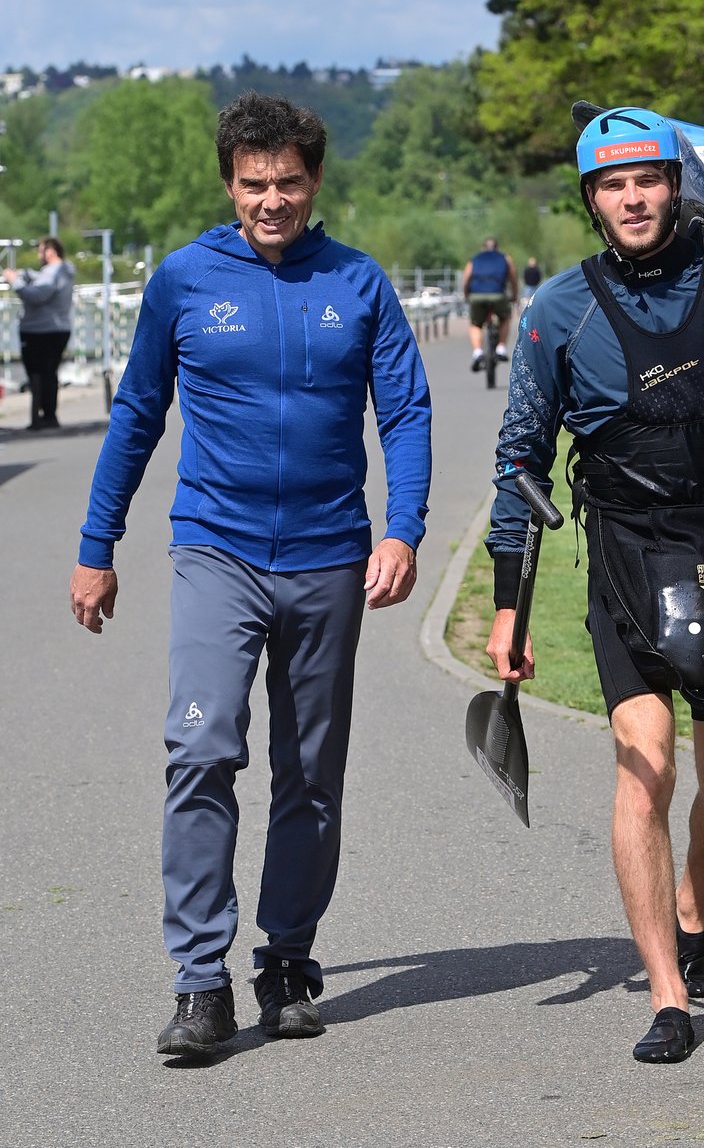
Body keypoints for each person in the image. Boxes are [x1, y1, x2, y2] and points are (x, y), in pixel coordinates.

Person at [69, 91, 433, 1058]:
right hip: (216, 550)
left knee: (311, 771)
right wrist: (96, 546)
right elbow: (137, 414)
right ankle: (200, 983)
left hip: (328, 557)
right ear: (229, 184)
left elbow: (404, 410)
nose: (271, 200)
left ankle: (286, 962)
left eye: (288, 183)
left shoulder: (357, 284)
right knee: (200, 750)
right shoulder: (185, 280)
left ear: (314, 181)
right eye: (253, 184)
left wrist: (403, 531)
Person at [482, 106, 704, 1064]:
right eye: (613, 186)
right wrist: (508, 603)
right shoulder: (557, 314)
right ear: (592, 200)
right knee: (645, 760)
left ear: (676, 186)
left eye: (648, 180)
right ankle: (670, 997)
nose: (633, 198)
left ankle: (692, 905)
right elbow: (520, 461)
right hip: (626, 555)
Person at [2, 236, 75, 430]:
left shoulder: (54, 271)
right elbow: (43, 282)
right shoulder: (63, 271)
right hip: (57, 329)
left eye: (40, 250)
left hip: (40, 330)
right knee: (48, 373)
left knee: (38, 374)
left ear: (50, 252)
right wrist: (27, 274)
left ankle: (43, 418)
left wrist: (15, 281)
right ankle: (47, 416)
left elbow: (38, 295)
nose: (38, 255)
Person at [462, 237, 517, 370]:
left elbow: (466, 279)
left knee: (475, 324)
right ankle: (501, 348)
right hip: (498, 295)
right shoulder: (505, 258)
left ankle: (477, 352)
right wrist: (514, 295)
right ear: (497, 248)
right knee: (504, 318)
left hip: (477, 296)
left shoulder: (474, 259)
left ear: (483, 248)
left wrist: (466, 295)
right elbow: (513, 278)